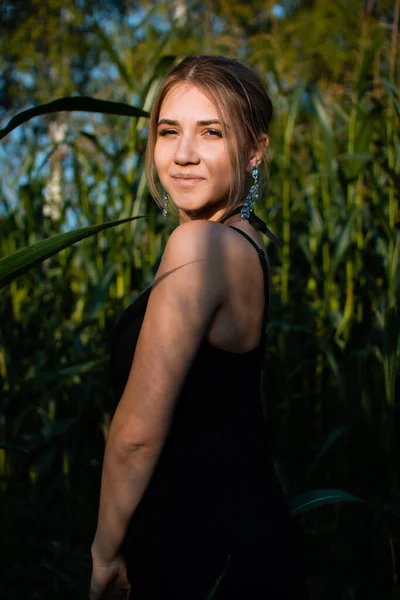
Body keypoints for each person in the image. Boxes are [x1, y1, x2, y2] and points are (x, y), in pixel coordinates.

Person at [90, 55, 305, 600]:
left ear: (256, 150)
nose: (183, 155)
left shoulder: (198, 246)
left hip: (196, 554)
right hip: (249, 538)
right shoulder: (248, 242)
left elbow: (136, 436)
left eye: (211, 132)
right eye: (169, 132)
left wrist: (105, 554)